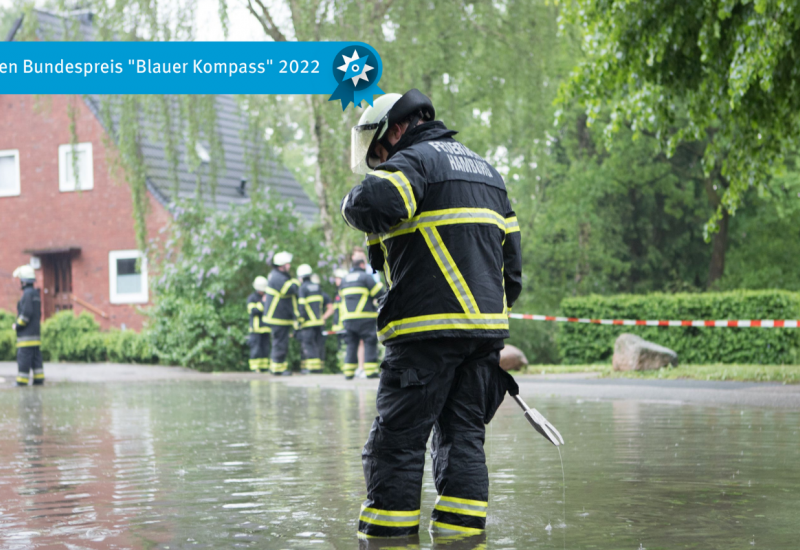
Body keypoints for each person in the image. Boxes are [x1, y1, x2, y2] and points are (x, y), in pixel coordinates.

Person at [341, 89, 522, 538]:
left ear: (396, 128)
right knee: (463, 441)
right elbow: (513, 272)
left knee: (396, 445)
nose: (380, 161)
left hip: (424, 335)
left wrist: (350, 205)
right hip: (483, 340)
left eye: (379, 151)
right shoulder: (489, 175)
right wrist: (481, 324)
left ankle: (387, 541)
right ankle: (462, 541)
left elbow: (377, 203)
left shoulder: (415, 162)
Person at [338, 250, 385, 380]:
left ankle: (348, 372)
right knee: (369, 342)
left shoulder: (344, 279)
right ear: (363, 265)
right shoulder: (366, 277)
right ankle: (370, 372)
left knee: (351, 344)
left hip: (348, 319)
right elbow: (380, 294)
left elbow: (341, 298)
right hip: (365, 317)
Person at [263, 251, 300, 376]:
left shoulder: (278, 275)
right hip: (277, 317)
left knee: (280, 343)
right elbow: (289, 289)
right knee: (280, 343)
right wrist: (296, 282)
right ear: (281, 265)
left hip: (280, 317)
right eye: (287, 264)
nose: (289, 266)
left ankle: (278, 368)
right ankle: (277, 369)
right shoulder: (277, 277)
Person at [296, 264, 333, 374]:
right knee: (318, 344)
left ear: (301, 277)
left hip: (308, 323)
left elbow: (302, 307)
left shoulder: (302, 288)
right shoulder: (317, 287)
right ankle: (319, 367)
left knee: (309, 344)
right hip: (319, 322)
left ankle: (313, 368)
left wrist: (300, 321)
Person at [11, 265, 43, 386]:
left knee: (23, 359)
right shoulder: (35, 293)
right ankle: (39, 379)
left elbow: (26, 314)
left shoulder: (27, 294)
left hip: (26, 338)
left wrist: (17, 325)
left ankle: (21, 382)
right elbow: (38, 314)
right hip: (35, 336)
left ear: (24, 281)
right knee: (36, 359)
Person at [247, 276, 271, 373]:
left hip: (266, 328)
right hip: (256, 329)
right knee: (256, 349)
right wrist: (263, 303)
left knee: (265, 349)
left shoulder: (267, 296)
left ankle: (264, 367)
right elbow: (253, 311)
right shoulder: (252, 298)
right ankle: (255, 368)